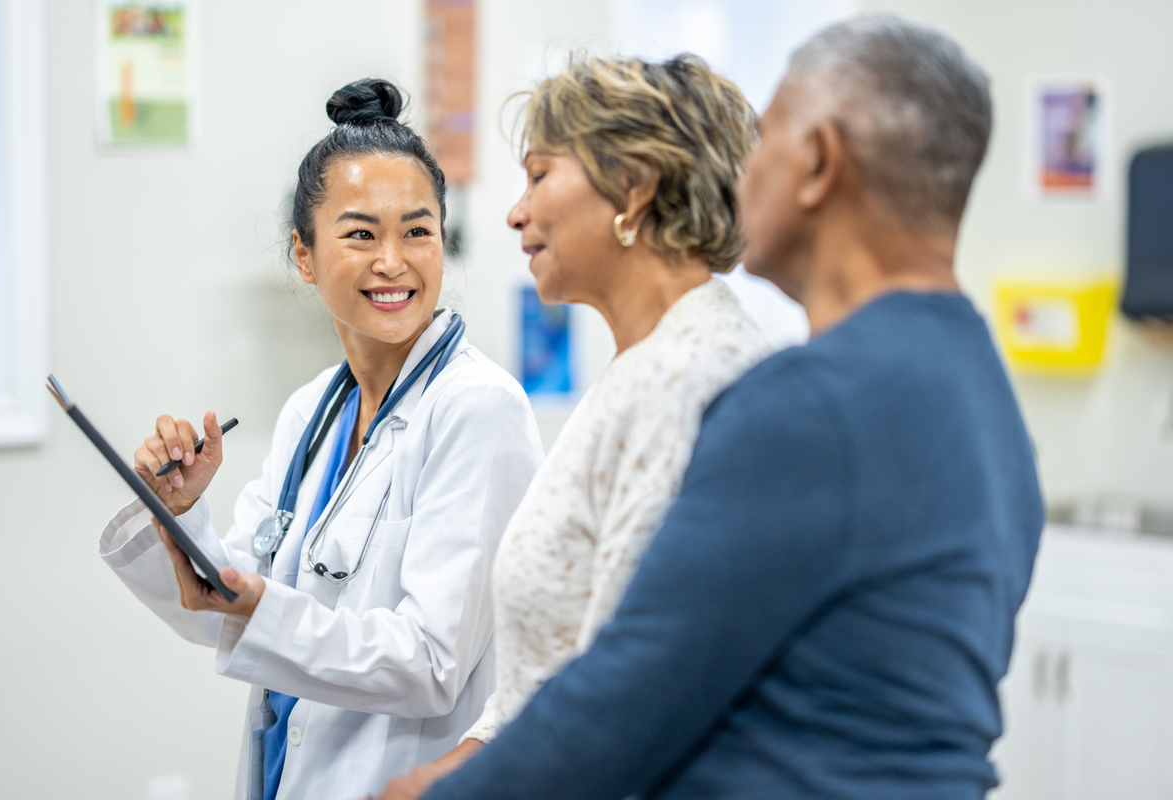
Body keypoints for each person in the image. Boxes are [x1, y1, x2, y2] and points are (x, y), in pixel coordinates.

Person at [416, 15, 1045, 800]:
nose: (740, 175)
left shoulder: (809, 406)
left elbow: (622, 709)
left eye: (766, 137)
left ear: (818, 163)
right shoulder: (981, 394)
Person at [98, 78, 544, 800]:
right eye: (361, 233)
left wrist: (255, 607)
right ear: (304, 257)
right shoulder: (313, 409)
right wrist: (178, 514)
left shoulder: (477, 410)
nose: (393, 260)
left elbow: (431, 664)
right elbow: (225, 608)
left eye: (418, 230)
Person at [376, 55, 773, 799]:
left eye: (538, 174)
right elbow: (550, 672)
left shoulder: (690, 380)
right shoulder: (636, 372)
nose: (514, 211)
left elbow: (633, 697)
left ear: (634, 186)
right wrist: (456, 765)